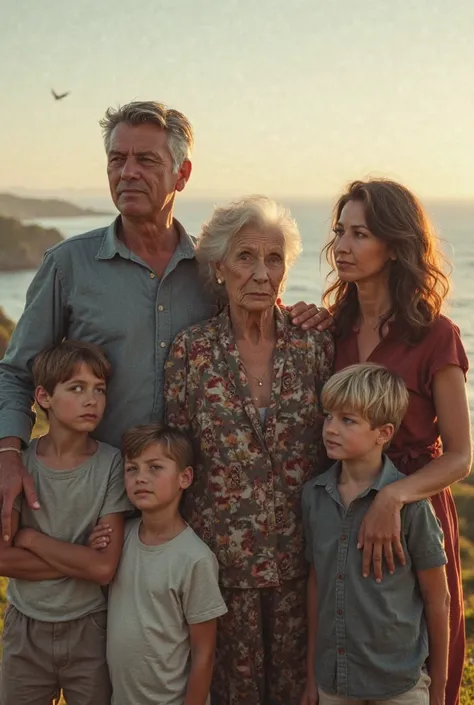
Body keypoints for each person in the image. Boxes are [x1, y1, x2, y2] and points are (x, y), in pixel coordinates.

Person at [0, 100, 322, 544]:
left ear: (182, 175)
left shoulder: (215, 269)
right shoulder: (67, 264)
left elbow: (259, 323)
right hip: (94, 506)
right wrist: (8, 454)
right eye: (117, 159)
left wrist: (311, 315)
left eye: (146, 160)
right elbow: (17, 373)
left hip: (192, 515)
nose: (127, 171)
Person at [164, 195, 334, 705]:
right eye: (245, 257)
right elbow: (177, 456)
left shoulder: (315, 346)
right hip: (219, 571)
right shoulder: (190, 351)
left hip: (302, 571)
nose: (262, 272)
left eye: (274, 258)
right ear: (219, 266)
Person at [323, 179, 472, 705]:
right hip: (341, 508)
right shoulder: (328, 330)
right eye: (340, 231)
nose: (342, 245)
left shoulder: (436, 335)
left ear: (396, 244)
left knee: (420, 649)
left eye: (360, 234)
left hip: (415, 512)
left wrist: (394, 496)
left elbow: (460, 454)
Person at [301, 363, 450, 705]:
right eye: (328, 417)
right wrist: (312, 675)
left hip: (400, 684)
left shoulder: (411, 507)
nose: (331, 429)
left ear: (383, 433)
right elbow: (315, 582)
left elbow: (437, 600)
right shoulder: (313, 497)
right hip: (333, 681)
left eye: (348, 420)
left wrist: (439, 690)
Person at [0, 340, 130, 705]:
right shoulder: (18, 466)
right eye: (76, 388)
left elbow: (103, 568)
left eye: (99, 390)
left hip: (89, 626)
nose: (92, 400)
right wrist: (78, 558)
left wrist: (29, 538)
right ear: (43, 396)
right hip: (25, 627)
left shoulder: (111, 465)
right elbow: (2, 560)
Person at [89, 423, 227, 705]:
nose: (141, 478)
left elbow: (204, 652)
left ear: (184, 477)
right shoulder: (121, 538)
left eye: (154, 468)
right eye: (132, 469)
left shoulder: (194, 558)